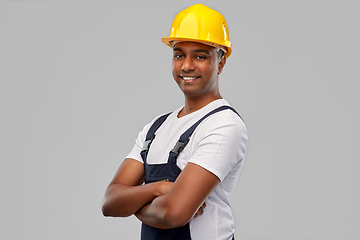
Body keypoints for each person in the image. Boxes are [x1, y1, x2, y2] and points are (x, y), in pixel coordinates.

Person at [102, 4, 248, 240]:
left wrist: (133, 203)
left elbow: (173, 213)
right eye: (179, 54)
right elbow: (110, 203)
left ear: (221, 62)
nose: (187, 65)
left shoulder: (223, 125)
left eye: (200, 56)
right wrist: (159, 189)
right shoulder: (156, 128)